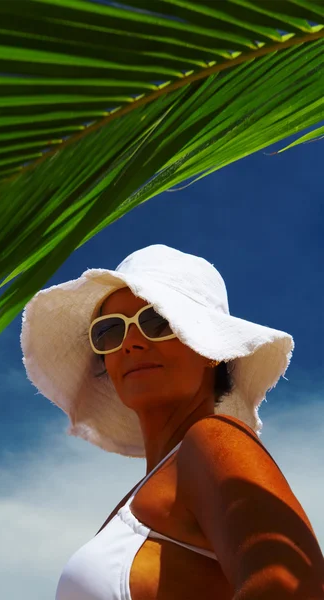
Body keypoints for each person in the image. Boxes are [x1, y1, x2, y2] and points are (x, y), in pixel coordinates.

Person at [20, 244, 324, 600]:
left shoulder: (213, 440)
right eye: (110, 331)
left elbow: (294, 587)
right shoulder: (137, 501)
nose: (130, 342)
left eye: (156, 320)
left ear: (211, 348)